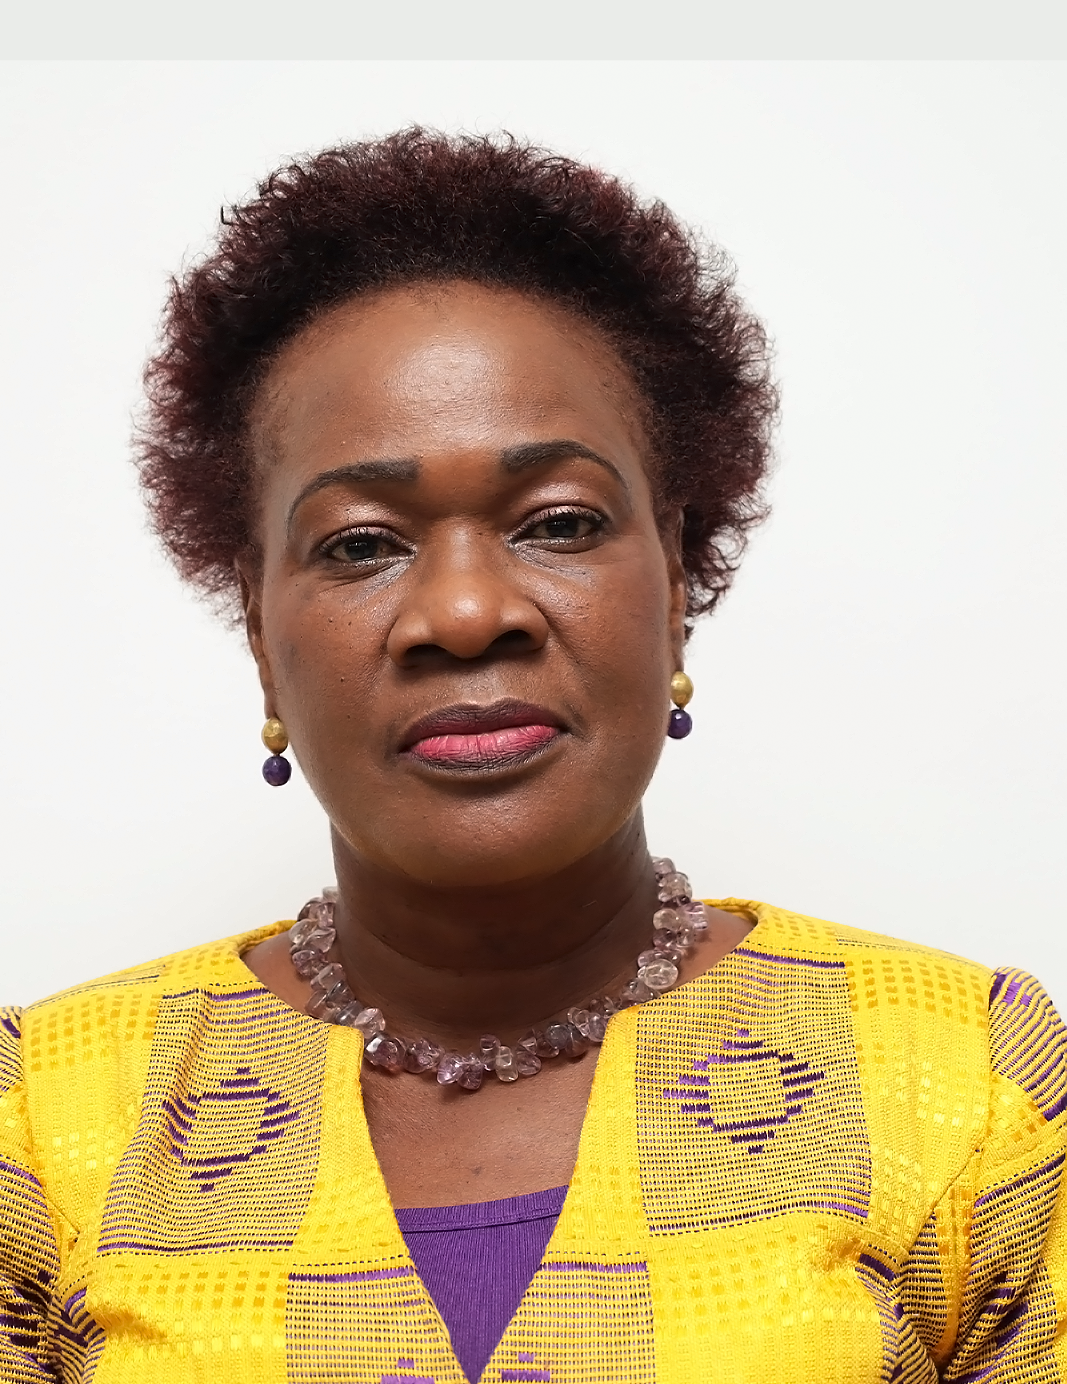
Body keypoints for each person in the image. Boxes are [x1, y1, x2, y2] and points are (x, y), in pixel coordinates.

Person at [1, 128, 1063, 1384]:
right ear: (257, 632)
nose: (465, 612)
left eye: (557, 522)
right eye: (360, 543)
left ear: (674, 583)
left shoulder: (964, 1082)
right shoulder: (46, 1123)